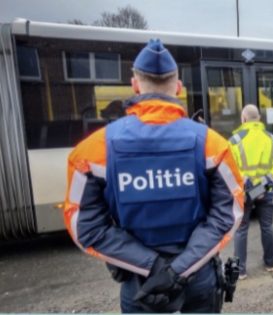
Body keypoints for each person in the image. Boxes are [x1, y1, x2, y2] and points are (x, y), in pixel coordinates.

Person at [63, 39, 244, 313]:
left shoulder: (91, 151)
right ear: (179, 88)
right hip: (198, 277)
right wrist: (179, 269)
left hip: (140, 283)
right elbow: (228, 213)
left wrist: (153, 266)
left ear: (135, 84)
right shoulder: (213, 144)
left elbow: (85, 227)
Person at [229, 104, 273, 279]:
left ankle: (241, 271)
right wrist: (262, 186)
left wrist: (248, 186)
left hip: (243, 193)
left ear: (243, 118)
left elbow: (229, 168)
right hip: (265, 191)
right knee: (267, 227)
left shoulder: (234, 141)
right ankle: (270, 264)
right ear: (259, 119)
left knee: (241, 230)